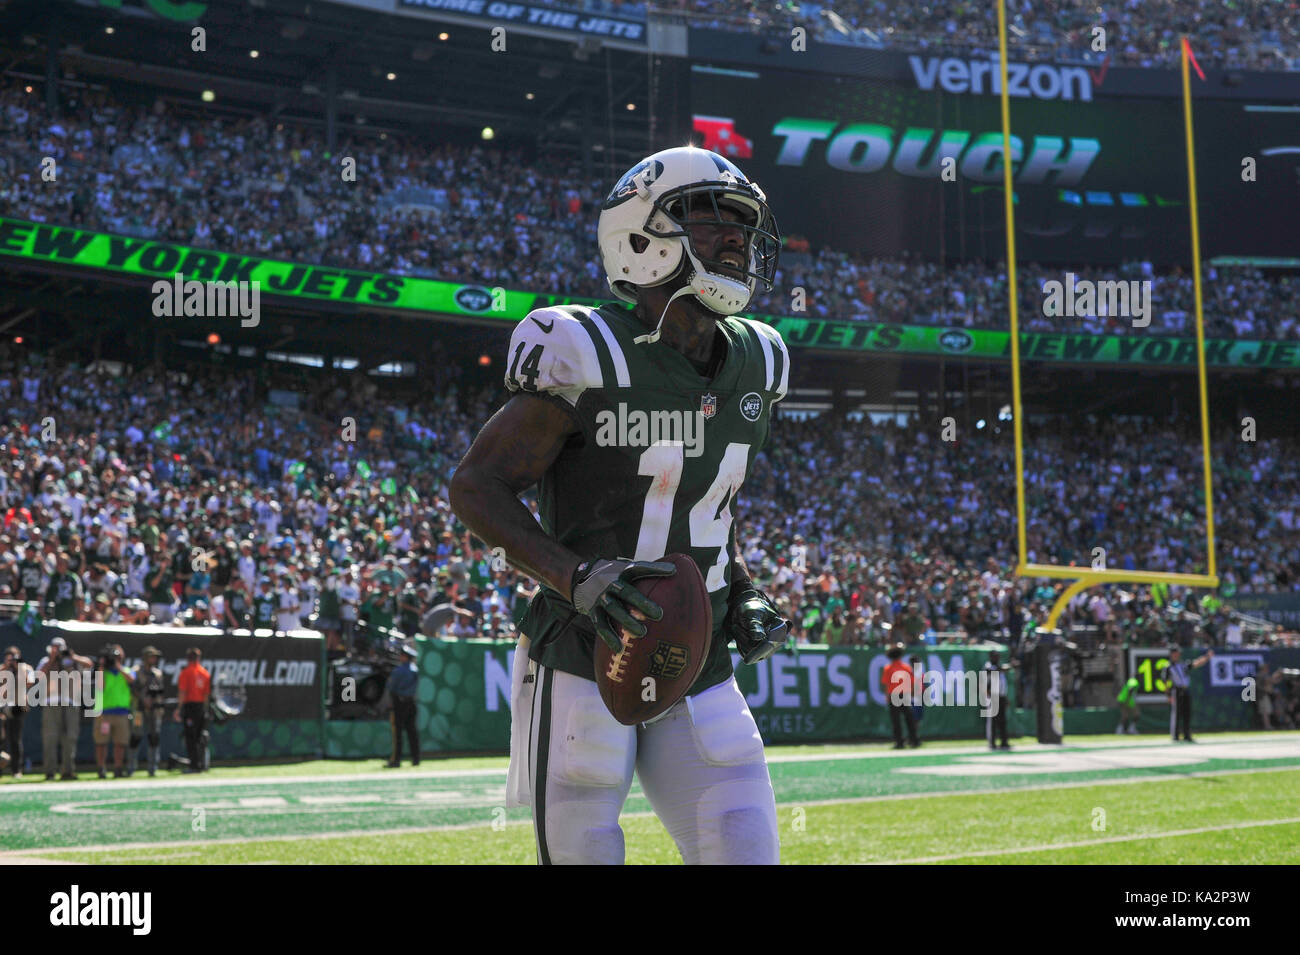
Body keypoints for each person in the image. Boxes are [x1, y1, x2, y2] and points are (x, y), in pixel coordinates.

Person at [450, 146, 788, 865]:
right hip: (582, 651)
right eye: (712, 216)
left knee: (744, 850)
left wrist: (745, 585)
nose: (736, 236)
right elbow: (476, 485)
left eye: (743, 223)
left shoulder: (762, 358)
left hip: (700, 655)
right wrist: (576, 577)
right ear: (640, 233)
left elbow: (703, 500)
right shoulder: (585, 347)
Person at [37, 637, 93, 779]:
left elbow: (89, 665)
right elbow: (38, 676)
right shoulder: (46, 661)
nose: (58, 651)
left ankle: (68, 771)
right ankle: (50, 771)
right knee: (50, 738)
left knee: (70, 738)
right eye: (55, 648)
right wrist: (52, 659)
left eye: (60, 648)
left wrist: (73, 657)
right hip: (51, 703)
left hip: (70, 703)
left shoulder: (71, 660)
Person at [93, 644, 135, 778]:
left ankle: (118, 769)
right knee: (101, 742)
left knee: (120, 743)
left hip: (122, 713)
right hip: (104, 713)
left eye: (118, 656)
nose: (115, 659)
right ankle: (101, 769)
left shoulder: (127, 670)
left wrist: (118, 666)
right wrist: (101, 666)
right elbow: (100, 687)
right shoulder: (103, 672)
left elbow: (131, 680)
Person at [129, 646, 166, 776]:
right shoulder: (135, 671)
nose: (154, 659)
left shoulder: (158, 673)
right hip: (139, 708)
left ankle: (152, 767)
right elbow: (132, 687)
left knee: (154, 736)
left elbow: (160, 691)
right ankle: (131, 766)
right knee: (136, 735)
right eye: (152, 656)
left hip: (154, 709)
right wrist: (143, 699)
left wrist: (158, 706)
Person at [174, 647, 212, 772]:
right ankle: (201, 764)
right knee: (200, 737)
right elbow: (206, 695)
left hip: (190, 707)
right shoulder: (205, 673)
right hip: (201, 707)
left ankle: (195, 766)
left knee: (191, 738)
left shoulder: (186, 672)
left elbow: (182, 692)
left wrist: (179, 709)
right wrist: (205, 710)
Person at [1166, 645, 1213, 742]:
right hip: (1177, 690)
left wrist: (1207, 657)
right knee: (1176, 714)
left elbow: (1196, 663)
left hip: (1185, 690)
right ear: (1172, 654)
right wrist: (1169, 695)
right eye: (1175, 653)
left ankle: (1187, 734)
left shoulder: (1182, 665)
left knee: (1187, 713)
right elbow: (1166, 682)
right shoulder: (1168, 667)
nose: (1178, 655)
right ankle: (1175, 735)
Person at [0, 646, 34, 776]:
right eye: (8, 658)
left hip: (18, 707)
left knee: (15, 740)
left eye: (13, 658)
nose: (11, 661)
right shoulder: (2, 668)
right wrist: (6, 667)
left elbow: (29, 683)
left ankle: (16, 770)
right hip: (2, 706)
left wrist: (19, 668)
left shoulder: (26, 668)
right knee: (1, 740)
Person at [385, 643, 420, 768]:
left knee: (397, 733)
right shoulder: (416, 670)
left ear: (405, 657)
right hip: (411, 702)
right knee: (412, 732)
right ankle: (416, 758)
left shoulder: (398, 671)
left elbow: (391, 687)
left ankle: (396, 760)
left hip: (399, 703)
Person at [881, 644, 920, 749]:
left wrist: (887, 696)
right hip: (904, 694)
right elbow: (911, 682)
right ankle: (914, 740)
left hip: (893, 695)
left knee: (896, 720)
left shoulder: (888, 668)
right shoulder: (905, 667)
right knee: (909, 718)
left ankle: (899, 742)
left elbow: (887, 684)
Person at [983, 649, 1011, 750]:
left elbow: (1002, 684)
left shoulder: (999, 667)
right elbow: (991, 671)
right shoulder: (988, 666)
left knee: (1003, 721)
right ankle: (992, 743)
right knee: (992, 721)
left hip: (1001, 696)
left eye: (998, 656)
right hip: (992, 697)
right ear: (990, 657)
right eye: (995, 656)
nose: (997, 658)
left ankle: (1004, 742)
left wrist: (1005, 697)